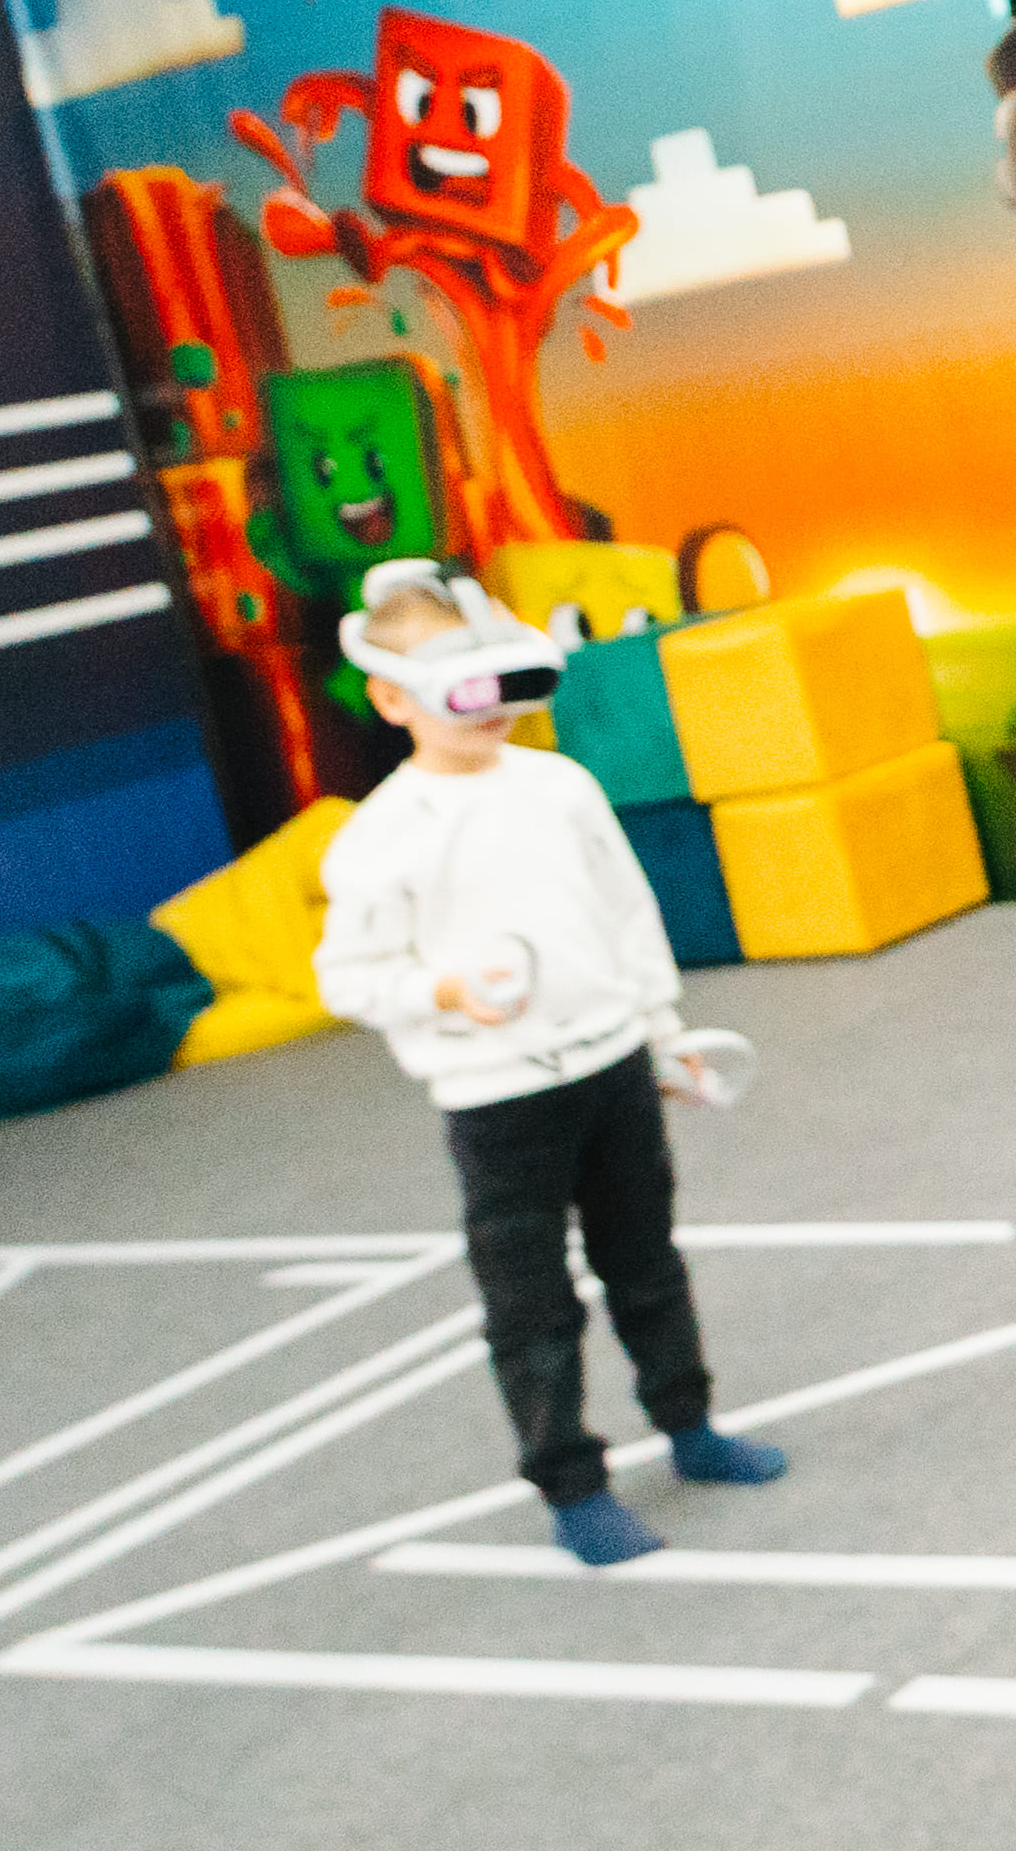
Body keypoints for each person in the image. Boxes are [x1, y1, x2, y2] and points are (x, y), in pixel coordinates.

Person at [306, 564, 788, 1564]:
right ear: (392, 699)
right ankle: (572, 1485)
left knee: (646, 1261)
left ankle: (690, 1424)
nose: (491, 708)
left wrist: (661, 1033)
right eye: (459, 688)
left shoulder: (559, 787)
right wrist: (444, 989)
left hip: (612, 1065)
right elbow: (349, 978)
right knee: (530, 1301)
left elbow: (625, 915)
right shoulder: (379, 837)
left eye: (501, 680)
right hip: (499, 1098)